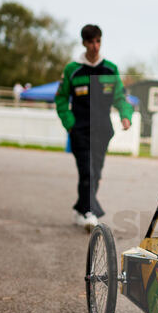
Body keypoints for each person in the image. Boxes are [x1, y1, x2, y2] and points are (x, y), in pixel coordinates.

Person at [55, 24, 132, 231]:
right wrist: (70, 124)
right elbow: (61, 99)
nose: (95, 46)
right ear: (83, 43)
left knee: (95, 172)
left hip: (102, 130)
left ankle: (81, 209)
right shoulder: (72, 70)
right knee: (87, 170)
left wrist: (126, 116)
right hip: (79, 130)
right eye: (91, 42)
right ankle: (89, 212)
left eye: (98, 41)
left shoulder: (110, 69)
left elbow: (120, 98)